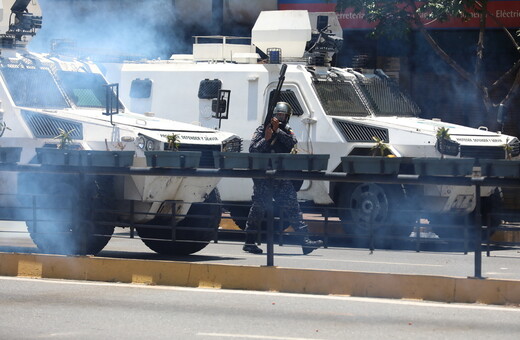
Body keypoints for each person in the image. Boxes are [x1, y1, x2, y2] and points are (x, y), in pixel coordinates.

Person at [243, 102, 324, 255]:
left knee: (293, 207)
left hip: (281, 177)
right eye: (278, 115)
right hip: (264, 177)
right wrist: (267, 137)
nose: (280, 118)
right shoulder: (261, 129)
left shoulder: (286, 131)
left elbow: (292, 143)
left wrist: (277, 131)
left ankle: (305, 241)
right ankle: (249, 241)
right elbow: (253, 149)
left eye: (283, 116)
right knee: (258, 209)